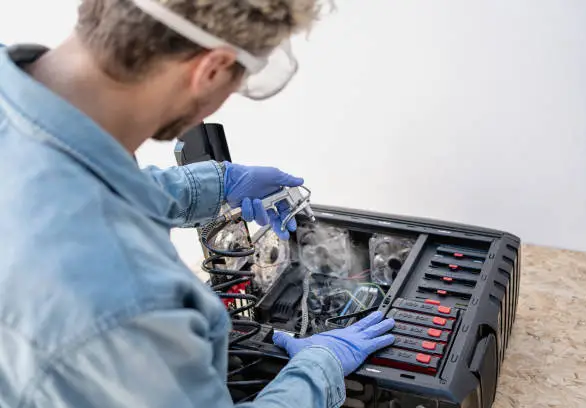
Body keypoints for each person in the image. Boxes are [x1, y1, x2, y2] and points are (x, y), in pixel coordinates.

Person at [0, 1, 396, 407]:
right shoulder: (130, 297)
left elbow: (63, 180)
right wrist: (320, 367)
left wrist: (216, 184)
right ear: (210, 70)